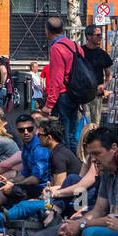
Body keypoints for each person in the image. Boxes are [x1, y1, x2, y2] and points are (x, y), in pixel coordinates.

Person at [0, 119, 81, 236]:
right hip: (54, 199)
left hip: (64, 204)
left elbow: (58, 187)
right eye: (21, 130)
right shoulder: (53, 152)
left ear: (48, 138)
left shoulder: (58, 156)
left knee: (25, 206)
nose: (36, 137)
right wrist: (12, 183)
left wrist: (40, 198)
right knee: (14, 196)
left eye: (40, 134)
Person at [43, 16, 86, 152]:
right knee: (73, 135)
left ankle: (65, 167)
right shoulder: (76, 46)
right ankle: (76, 165)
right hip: (76, 95)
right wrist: (82, 100)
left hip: (63, 96)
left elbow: (56, 78)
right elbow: (82, 75)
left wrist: (49, 104)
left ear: (48, 30)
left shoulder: (56, 48)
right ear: (62, 29)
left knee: (62, 135)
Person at [82, 24, 113, 127]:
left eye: (101, 35)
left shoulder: (103, 54)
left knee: (96, 125)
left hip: (96, 95)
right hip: (82, 95)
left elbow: (109, 75)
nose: (101, 37)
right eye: (98, 35)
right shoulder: (80, 52)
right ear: (89, 36)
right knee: (84, 125)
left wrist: (104, 85)